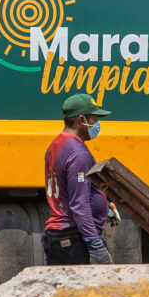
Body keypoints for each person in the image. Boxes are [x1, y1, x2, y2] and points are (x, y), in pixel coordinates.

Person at [43, 92, 115, 265]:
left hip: (59, 233)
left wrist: (104, 207)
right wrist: (94, 242)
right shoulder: (78, 154)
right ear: (80, 119)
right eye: (94, 119)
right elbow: (79, 203)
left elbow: (68, 189)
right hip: (74, 237)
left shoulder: (56, 145)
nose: (96, 124)